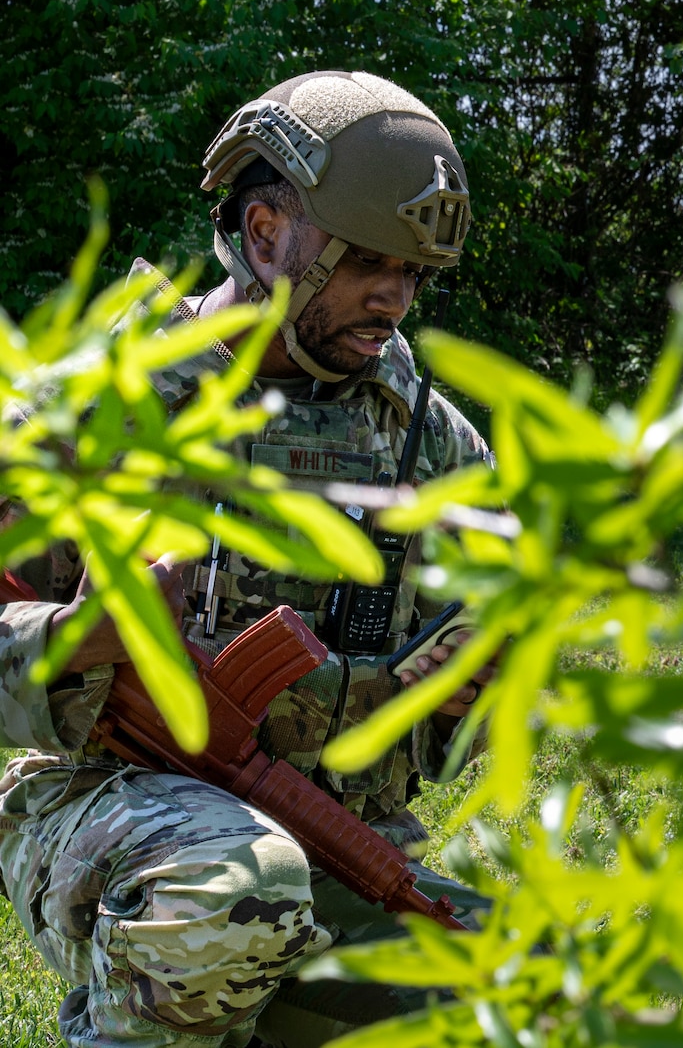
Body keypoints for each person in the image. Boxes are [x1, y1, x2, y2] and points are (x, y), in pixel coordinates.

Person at [0, 70, 496, 1048]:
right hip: (106, 813)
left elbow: (457, 717)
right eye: (368, 261)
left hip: (327, 836)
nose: (394, 296)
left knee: (527, 1003)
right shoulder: (96, 407)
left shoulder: (427, 444)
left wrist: (468, 686)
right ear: (267, 234)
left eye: (414, 273)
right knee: (236, 884)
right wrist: (64, 639)